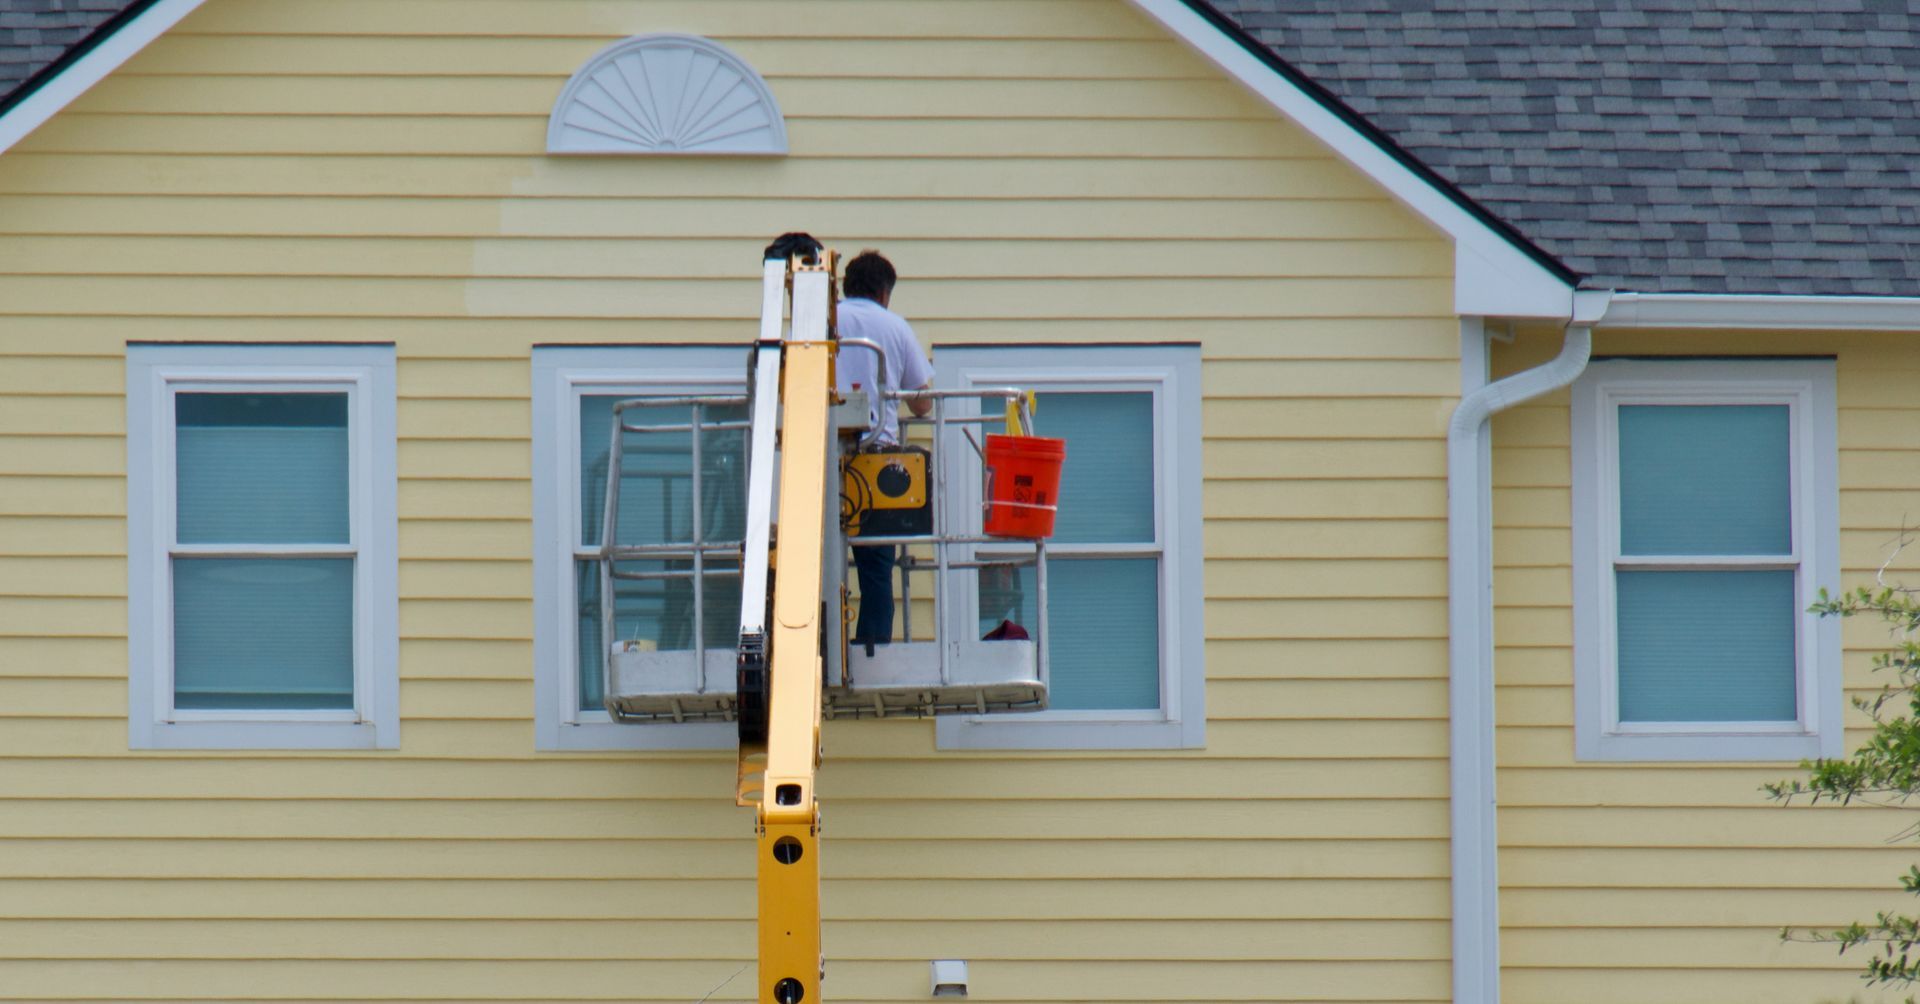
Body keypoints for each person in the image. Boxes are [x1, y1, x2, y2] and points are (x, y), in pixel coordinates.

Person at [836, 250, 934, 645]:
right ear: (883, 292)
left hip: (824, 457)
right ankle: (871, 650)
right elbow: (923, 403)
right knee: (876, 568)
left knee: (819, 559)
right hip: (878, 463)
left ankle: (819, 646)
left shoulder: (823, 324)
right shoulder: (895, 327)